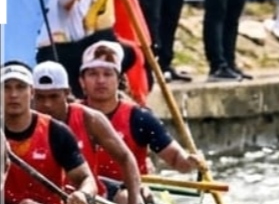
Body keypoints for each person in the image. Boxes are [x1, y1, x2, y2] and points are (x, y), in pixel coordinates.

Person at [75, 41, 203, 188]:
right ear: (82, 82)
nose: (100, 80)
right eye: (93, 74)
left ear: (119, 80)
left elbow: (176, 160)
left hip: (132, 193)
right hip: (83, 193)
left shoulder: (140, 118)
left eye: (108, 74)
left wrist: (191, 161)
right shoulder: (68, 115)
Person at [31, 60, 146, 204]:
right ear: (31, 95)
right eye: (40, 97)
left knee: (124, 198)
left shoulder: (90, 119)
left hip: (88, 200)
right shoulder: (21, 122)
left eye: (54, 97)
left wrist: (135, 201)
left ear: (66, 93)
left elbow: (125, 157)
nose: (47, 104)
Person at [2, 61, 99, 204]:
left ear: (32, 92)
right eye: (6, 87)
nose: (13, 94)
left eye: (20, 87)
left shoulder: (56, 131)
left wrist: (82, 195)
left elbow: (87, 179)